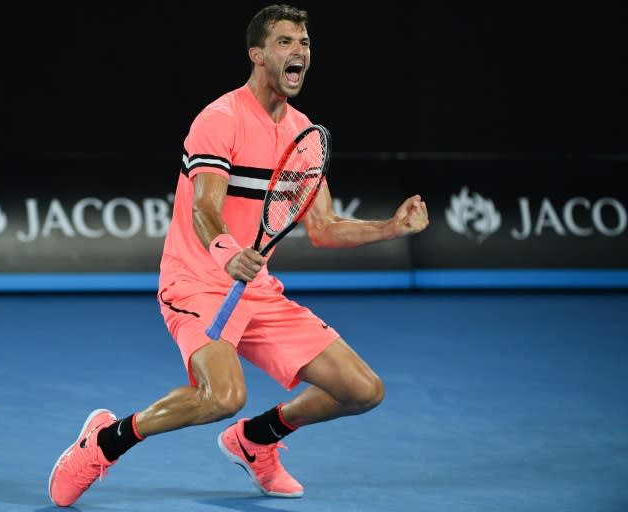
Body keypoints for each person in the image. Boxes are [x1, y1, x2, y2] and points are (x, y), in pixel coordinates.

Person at [48, 4, 429, 506]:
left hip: (255, 288)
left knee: (362, 390)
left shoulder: (304, 134)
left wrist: (389, 228)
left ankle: (257, 440)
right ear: (257, 54)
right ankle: (103, 443)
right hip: (196, 281)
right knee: (223, 396)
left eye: (305, 43)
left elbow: (325, 229)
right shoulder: (219, 118)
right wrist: (227, 252)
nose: (300, 52)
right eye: (286, 42)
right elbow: (205, 209)